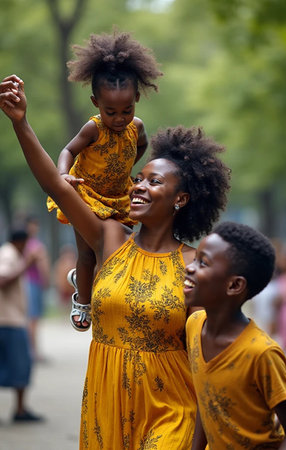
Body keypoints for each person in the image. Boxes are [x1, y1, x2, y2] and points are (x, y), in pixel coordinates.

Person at [0, 75, 230, 448]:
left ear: (181, 200)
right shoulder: (109, 238)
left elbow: (210, 358)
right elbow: (56, 186)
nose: (138, 186)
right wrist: (20, 123)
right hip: (106, 407)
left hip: (172, 410)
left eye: (153, 183)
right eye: (138, 178)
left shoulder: (195, 266)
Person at [46, 29, 163, 332]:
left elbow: (140, 146)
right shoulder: (93, 129)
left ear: (137, 99)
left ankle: (92, 284)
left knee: (116, 249)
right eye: (111, 111)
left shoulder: (136, 128)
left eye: (127, 110)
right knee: (86, 252)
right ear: (96, 102)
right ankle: (82, 300)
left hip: (118, 196)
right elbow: (68, 150)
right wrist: (63, 174)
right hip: (87, 194)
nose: (119, 118)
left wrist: (127, 169)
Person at [184, 221, 286, 449]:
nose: (189, 267)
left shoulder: (261, 352)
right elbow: (205, 397)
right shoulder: (194, 325)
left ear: (234, 285)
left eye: (203, 263)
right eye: (195, 258)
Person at [0, 229, 44, 422]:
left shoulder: (11, 253)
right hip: (9, 321)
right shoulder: (8, 254)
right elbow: (2, 280)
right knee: (20, 365)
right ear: (20, 242)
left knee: (16, 365)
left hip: (13, 319)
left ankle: (20, 409)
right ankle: (19, 410)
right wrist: (26, 264)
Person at [24, 215, 50, 360]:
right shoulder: (33, 245)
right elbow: (42, 266)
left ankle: (32, 350)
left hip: (32, 283)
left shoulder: (29, 243)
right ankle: (33, 352)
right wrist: (46, 280)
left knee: (33, 319)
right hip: (32, 284)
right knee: (33, 319)